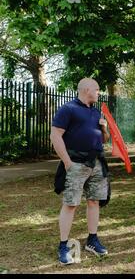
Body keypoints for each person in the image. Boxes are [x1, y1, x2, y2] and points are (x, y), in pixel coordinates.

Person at [50, 78, 110, 265]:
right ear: (86, 89)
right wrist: (67, 162)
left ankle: (92, 240)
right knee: (71, 204)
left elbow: (104, 139)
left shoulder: (95, 111)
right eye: (97, 89)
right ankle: (63, 245)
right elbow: (55, 135)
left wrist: (104, 128)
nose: (99, 92)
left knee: (94, 201)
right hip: (75, 163)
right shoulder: (68, 109)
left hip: (96, 162)